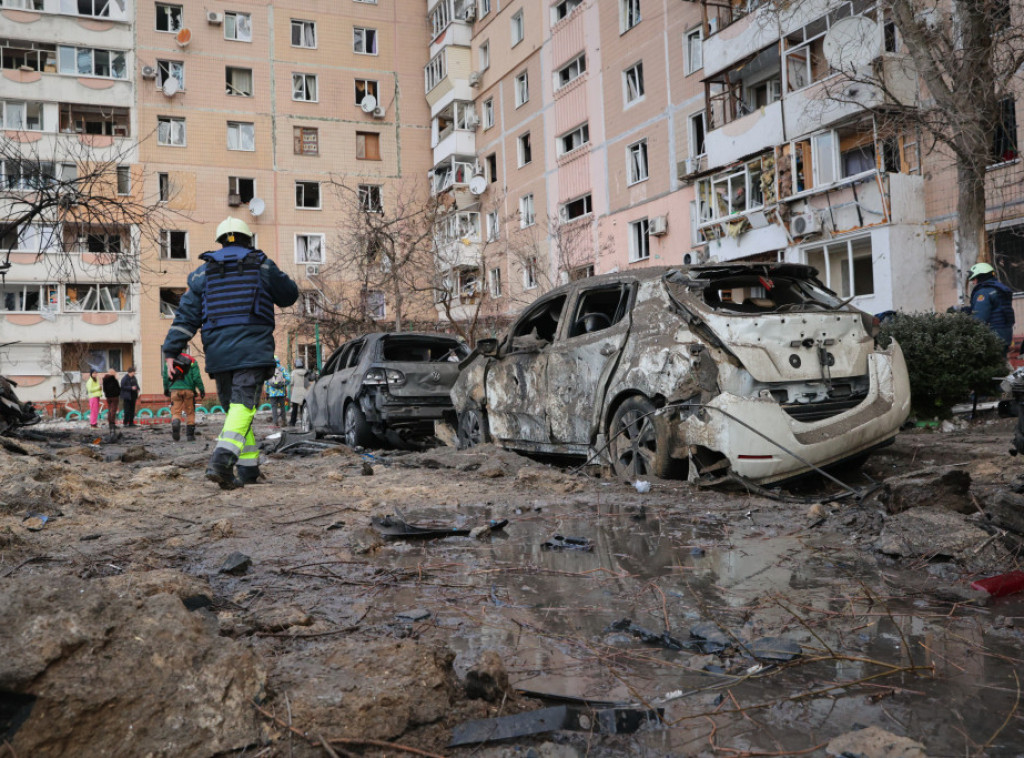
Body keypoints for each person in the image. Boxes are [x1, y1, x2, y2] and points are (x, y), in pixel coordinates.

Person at [161, 216, 298, 489]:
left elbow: (186, 316)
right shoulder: (262, 265)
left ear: (220, 242)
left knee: (236, 410)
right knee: (243, 407)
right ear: (248, 240)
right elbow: (289, 296)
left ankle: (248, 469)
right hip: (252, 349)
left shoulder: (202, 274)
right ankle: (221, 463)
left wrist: (171, 351)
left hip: (219, 353)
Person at [966, 262, 1015, 352]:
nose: (973, 282)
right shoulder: (1000, 289)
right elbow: (996, 310)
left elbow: (979, 318)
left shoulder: (984, 292)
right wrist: (964, 310)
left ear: (981, 277)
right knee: (1002, 359)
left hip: (992, 337)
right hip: (1006, 334)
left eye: (974, 279)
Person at [162, 352, 205, 442]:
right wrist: (201, 390)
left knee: (176, 412)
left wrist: (166, 389)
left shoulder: (169, 361)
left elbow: (166, 376)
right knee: (190, 412)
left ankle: (176, 423)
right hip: (189, 390)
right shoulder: (192, 361)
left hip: (174, 390)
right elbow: (196, 377)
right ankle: (190, 435)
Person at [264, 356, 290, 427]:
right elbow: (288, 379)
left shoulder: (269, 369)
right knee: (282, 407)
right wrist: (284, 384)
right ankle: (284, 421)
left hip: (272, 393)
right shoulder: (282, 368)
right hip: (281, 392)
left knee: (274, 408)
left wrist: (267, 392)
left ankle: (275, 422)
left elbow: (266, 382)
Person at [288, 357, 310, 427]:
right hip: (304, 391)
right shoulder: (306, 372)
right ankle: (304, 422)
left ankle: (292, 422)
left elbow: (291, 382)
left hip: (296, 392)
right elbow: (307, 383)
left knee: (294, 409)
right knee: (303, 408)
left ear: (295, 365)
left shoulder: (293, 372)